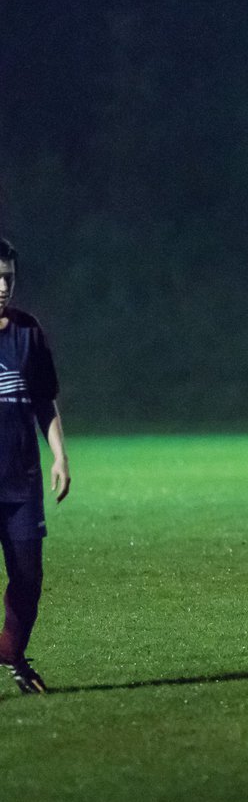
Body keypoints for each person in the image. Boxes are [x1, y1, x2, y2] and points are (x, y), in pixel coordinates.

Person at [0, 237, 70, 694]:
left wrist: (60, 455)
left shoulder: (28, 332)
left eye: (7, 278)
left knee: (28, 578)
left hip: (21, 480)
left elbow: (45, 400)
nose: (2, 286)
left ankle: (11, 653)